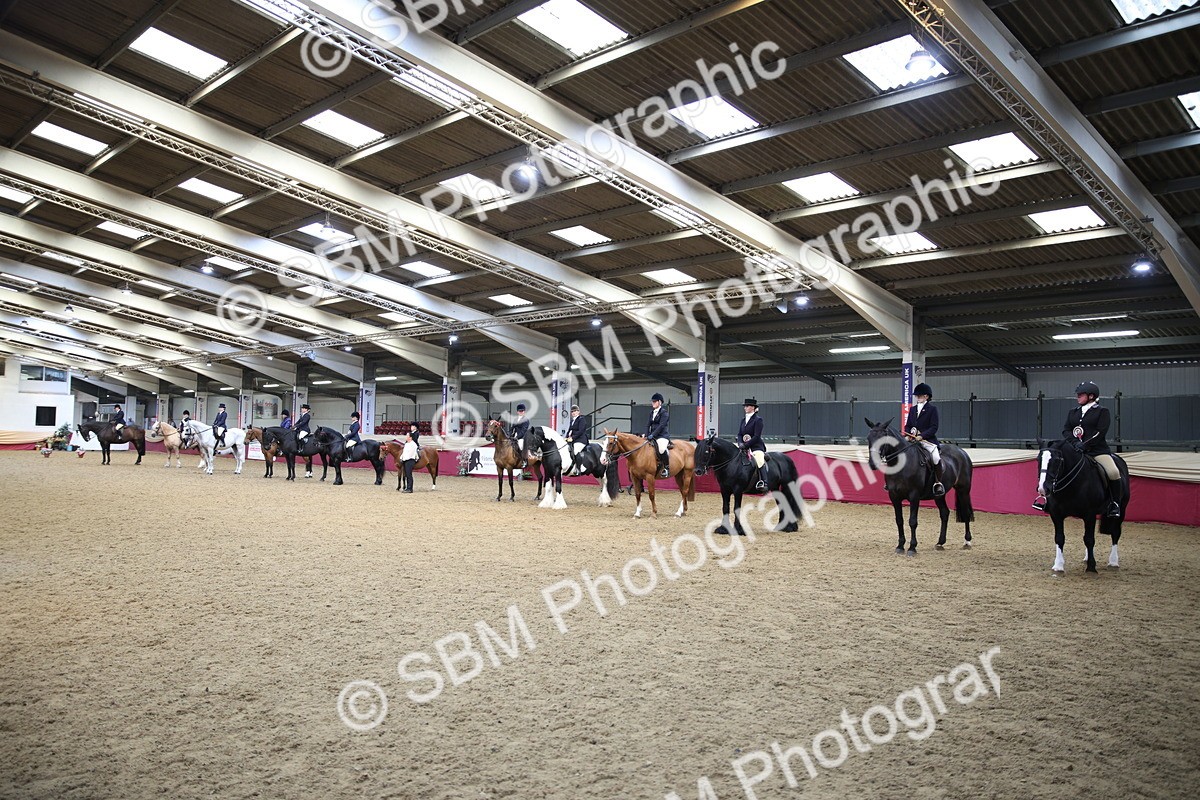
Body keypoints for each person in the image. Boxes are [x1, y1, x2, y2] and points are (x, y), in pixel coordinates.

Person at [1034, 381, 1122, 517]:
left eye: (1081, 395)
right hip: (1075, 450)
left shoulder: (1102, 411)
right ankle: (1048, 501)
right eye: (1078, 395)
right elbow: (1066, 430)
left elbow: (1101, 431)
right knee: (1057, 469)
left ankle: (1114, 504)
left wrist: (1086, 444)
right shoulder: (1073, 412)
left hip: (1096, 451)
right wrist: (1075, 443)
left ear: (1091, 396)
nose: (1078, 397)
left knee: (1113, 472)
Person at [903, 383, 944, 497]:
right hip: (913, 440)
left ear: (926, 396)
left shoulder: (932, 409)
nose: (917, 397)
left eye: (919, 395)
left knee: (936, 457)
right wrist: (908, 434)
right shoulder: (912, 409)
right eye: (917, 396)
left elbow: (934, 427)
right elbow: (908, 425)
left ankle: (938, 482)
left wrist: (922, 436)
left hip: (927, 440)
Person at [739, 398, 770, 491]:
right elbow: (739, 434)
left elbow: (756, 436)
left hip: (756, 446)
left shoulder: (758, 420)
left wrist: (746, 445)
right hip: (744, 446)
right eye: (745, 406)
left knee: (760, 460)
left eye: (747, 406)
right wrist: (740, 443)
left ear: (753, 407)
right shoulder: (743, 420)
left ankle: (764, 482)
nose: (745, 408)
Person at [646, 392, 671, 478]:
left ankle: (666, 468)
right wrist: (647, 434)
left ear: (659, 402)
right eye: (652, 401)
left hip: (662, 436)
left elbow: (661, 426)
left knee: (661, 449)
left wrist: (653, 435)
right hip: (652, 435)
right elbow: (648, 424)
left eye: (654, 401)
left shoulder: (664, 413)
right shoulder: (651, 413)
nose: (653, 403)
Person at [564, 405, 589, 476]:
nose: (573, 412)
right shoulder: (572, 421)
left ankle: (579, 468)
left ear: (578, 412)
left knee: (576, 451)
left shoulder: (582, 419)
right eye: (572, 411)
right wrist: (566, 437)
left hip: (581, 440)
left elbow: (581, 431)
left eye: (575, 411)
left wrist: (573, 438)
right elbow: (569, 430)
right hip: (573, 440)